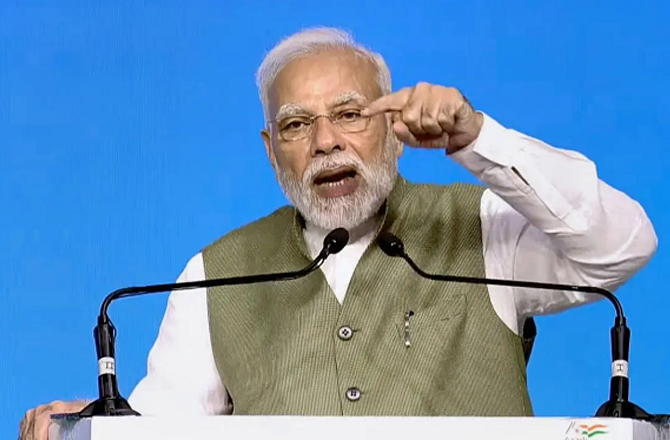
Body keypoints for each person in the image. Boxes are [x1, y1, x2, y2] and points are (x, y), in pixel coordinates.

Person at [20, 26, 657, 439]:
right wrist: (96, 426)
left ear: (394, 130)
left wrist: (479, 139)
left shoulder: (483, 228)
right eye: (297, 125)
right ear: (272, 151)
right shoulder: (215, 273)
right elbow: (166, 426)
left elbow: (623, 247)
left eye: (350, 114)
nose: (326, 142)